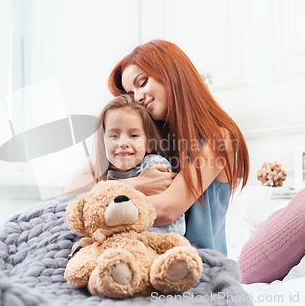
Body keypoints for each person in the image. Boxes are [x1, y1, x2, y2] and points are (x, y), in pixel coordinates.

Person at [67, 40, 249, 256]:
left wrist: (100, 203)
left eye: (142, 83)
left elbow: (167, 209)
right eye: (131, 93)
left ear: (172, 74)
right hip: (142, 257)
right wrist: (136, 183)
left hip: (195, 265)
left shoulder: (219, 139)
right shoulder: (146, 137)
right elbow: (72, 189)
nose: (138, 98)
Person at [66, 94, 186, 235]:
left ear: (149, 144)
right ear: (103, 143)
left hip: (152, 240)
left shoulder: (154, 166)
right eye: (114, 136)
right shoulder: (105, 169)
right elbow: (70, 191)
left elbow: (167, 219)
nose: (123, 143)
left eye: (133, 136)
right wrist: (136, 183)